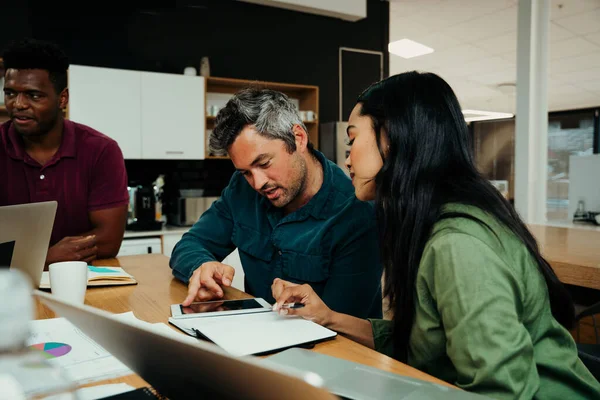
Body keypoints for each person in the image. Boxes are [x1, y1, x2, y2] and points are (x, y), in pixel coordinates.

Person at [271, 71, 600, 399]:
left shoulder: (457, 245)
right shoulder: (432, 225)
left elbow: (502, 392)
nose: (347, 157)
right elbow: (421, 341)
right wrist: (328, 318)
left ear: (391, 138)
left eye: (352, 139)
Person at [169, 88, 383, 319]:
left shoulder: (356, 213)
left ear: (298, 138)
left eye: (264, 163)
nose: (258, 183)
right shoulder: (241, 189)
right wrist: (202, 267)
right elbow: (189, 245)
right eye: (245, 172)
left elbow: (344, 328)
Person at [0, 38, 129, 267]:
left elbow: (109, 240)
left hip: (80, 285)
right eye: (10, 93)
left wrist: (19, 256)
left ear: (62, 99)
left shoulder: (101, 150)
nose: (18, 104)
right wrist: (46, 257)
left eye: (33, 95)